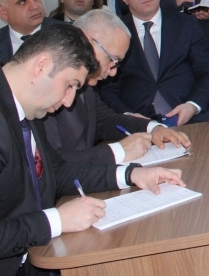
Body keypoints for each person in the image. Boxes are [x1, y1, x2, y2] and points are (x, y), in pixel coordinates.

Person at [0, 23, 184, 276]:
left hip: (25, 264)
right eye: (69, 85)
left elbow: (54, 171)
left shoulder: (17, 100)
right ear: (41, 65)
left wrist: (132, 174)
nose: (70, 101)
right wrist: (55, 220)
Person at [42, 9, 191, 165]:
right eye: (111, 60)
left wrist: (154, 129)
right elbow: (54, 165)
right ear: (87, 42)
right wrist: (120, 151)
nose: (113, 72)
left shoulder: (87, 87)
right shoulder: (48, 89)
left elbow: (107, 121)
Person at [100, 0, 209, 126]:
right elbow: (107, 88)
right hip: (139, 123)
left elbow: (208, 71)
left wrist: (192, 105)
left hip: (191, 117)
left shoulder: (187, 24)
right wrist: (127, 116)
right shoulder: (114, 33)